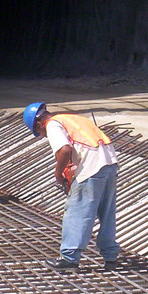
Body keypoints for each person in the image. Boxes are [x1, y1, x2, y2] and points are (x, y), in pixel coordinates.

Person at [23, 102, 120, 272]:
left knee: (77, 212)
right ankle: (110, 257)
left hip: (91, 168)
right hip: (110, 164)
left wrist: (58, 173)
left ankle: (69, 259)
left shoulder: (52, 124)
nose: (43, 135)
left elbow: (65, 150)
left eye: (39, 133)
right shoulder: (73, 118)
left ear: (39, 124)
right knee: (107, 212)